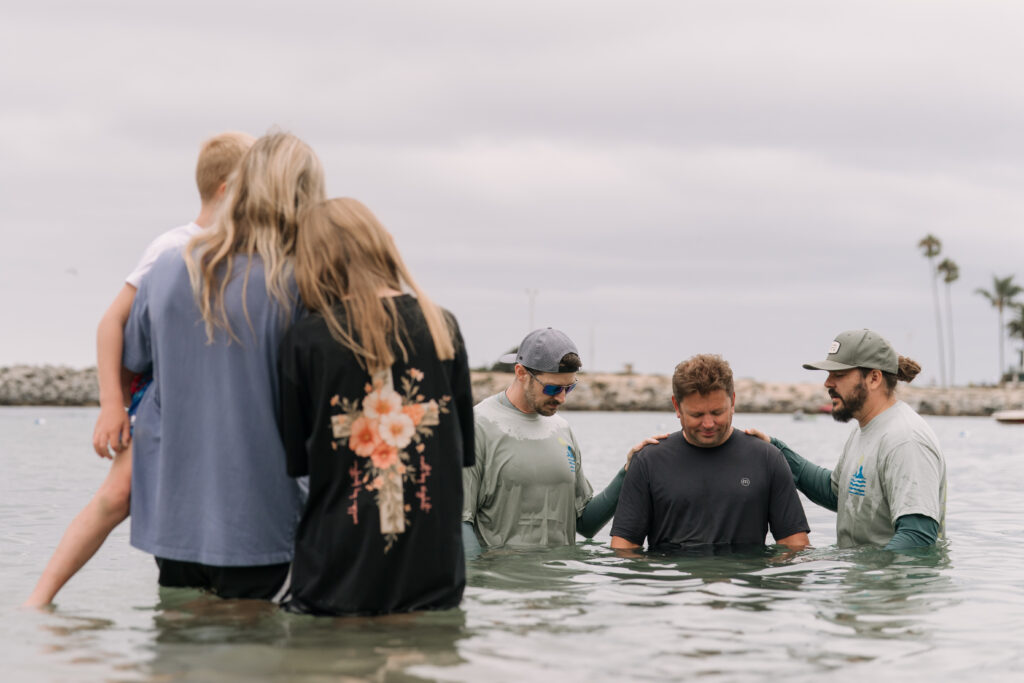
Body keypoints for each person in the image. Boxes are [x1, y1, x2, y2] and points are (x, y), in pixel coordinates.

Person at [24, 132, 255, 607]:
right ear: (228, 189)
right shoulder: (173, 246)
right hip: (162, 398)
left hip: (220, 404)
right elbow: (112, 322)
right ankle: (39, 600)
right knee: (118, 494)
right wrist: (111, 404)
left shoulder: (253, 253)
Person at [120, 131, 326, 599]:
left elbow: (133, 361)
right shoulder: (300, 283)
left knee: (177, 637)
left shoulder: (168, 268)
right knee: (257, 642)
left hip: (175, 519)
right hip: (264, 521)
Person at [276, 197, 474, 616]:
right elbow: (459, 452)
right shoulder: (442, 326)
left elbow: (297, 460)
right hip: (435, 571)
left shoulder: (307, 340)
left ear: (314, 260)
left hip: (338, 574)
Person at [747, 329, 946, 550]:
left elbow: (917, 536)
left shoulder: (906, 440)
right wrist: (776, 451)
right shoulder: (866, 430)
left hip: (891, 574)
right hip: (863, 572)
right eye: (829, 374)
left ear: (874, 378)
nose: (827, 383)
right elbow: (838, 494)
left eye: (839, 375)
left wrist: (869, 569)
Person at [462, 328, 645, 554]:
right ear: (521, 373)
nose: (562, 398)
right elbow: (459, 522)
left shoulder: (561, 429)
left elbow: (585, 524)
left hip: (562, 575)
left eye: (570, 388)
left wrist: (627, 472)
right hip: (502, 576)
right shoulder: (476, 426)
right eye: (553, 388)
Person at [610, 354, 810, 553]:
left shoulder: (768, 458)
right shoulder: (648, 461)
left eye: (717, 412)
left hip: (743, 574)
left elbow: (795, 546)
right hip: (672, 574)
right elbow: (624, 550)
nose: (708, 424)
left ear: (733, 402)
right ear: (677, 407)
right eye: (697, 415)